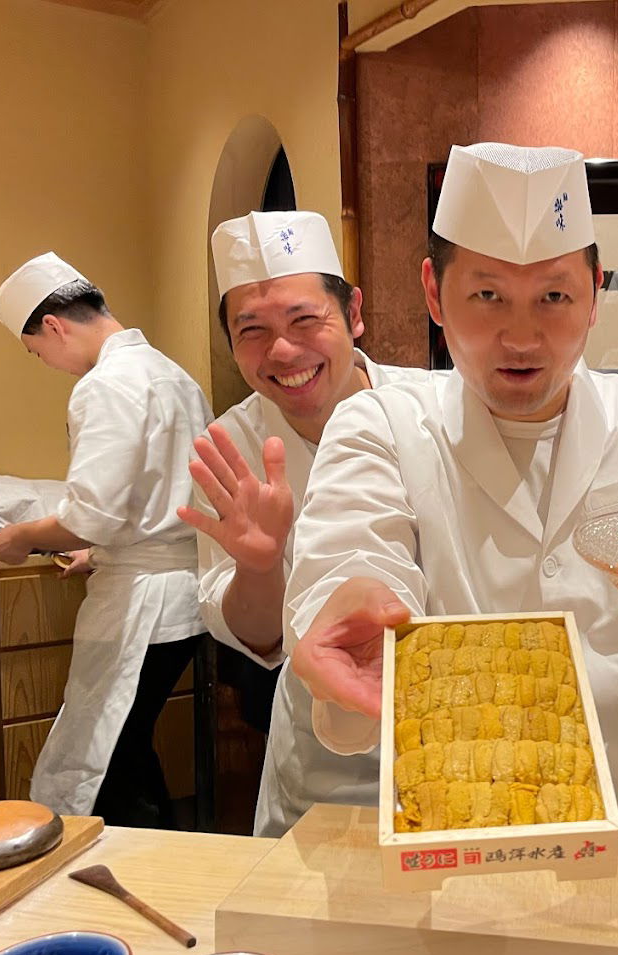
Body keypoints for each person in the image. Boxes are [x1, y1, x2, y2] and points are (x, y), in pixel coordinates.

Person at [266, 143, 618, 837]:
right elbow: (355, 553)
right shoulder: (381, 423)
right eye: (487, 296)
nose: (521, 335)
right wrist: (359, 600)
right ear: (432, 292)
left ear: (595, 293)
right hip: (457, 841)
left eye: (554, 297)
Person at [178, 210, 431, 835]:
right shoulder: (230, 448)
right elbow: (258, 641)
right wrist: (259, 566)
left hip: (453, 722)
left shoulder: (431, 410)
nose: (283, 351)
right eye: (252, 330)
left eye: (303, 320)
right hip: (323, 756)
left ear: (354, 313)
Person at [0, 253, 212, 828]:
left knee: (107, 756)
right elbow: (157, 494)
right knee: (124, 745)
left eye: (39, 352)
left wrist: (25, 537)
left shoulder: (105, 385)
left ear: (55, 326)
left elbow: (91, 512)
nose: (50, 365)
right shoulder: (170, 373)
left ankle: (142, 876)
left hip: (145, 602)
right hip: (184, 588)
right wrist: (99, 550)